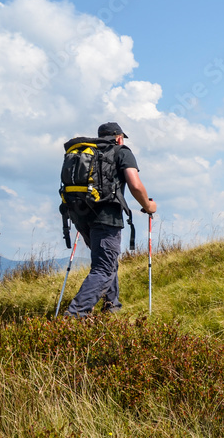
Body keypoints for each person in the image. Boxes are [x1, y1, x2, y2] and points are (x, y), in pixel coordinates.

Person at [64, 122, 157, 317]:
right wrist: (148, 206)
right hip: (106, 217)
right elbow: (135, 184)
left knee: (108, 262)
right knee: (104, 268)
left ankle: (111, 307)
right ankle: (74, 316)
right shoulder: (121, 151)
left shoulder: (87, 154)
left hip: (80, 216)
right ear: (119, 137)